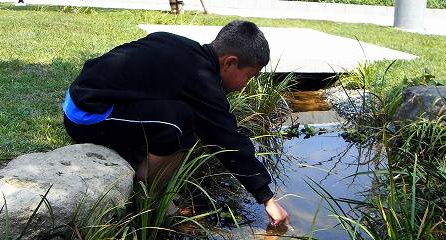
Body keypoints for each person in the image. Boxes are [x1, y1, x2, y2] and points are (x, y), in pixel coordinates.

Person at [62, 20, 289, 226]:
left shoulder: (182, 48)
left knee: (178, 117)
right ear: (229, 62)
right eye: (248, 76)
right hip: (87, 115)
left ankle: (141, 165)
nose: (245, 85)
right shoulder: (201, 79)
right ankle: (147, 197)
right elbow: (227, 141)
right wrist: (266, 198)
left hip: (82, 95)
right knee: (178, 124)